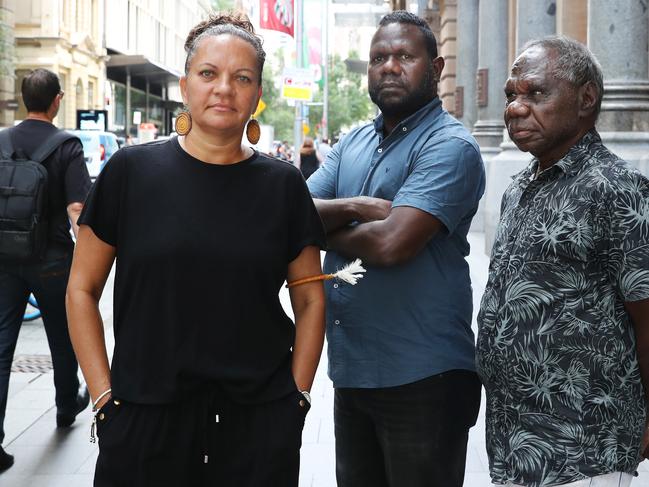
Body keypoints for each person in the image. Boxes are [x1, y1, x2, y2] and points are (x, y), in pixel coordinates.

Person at [66, 13, 326, 487]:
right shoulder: (130, 173)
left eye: (241, 77)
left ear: (257, 95)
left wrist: (298, 398)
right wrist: (103, 399)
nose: (224, 88)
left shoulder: (284, 185)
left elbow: (310, 299)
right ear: (185, 86)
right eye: (209, 74)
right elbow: (81, 289)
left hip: (257, 425)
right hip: (144, 420)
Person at [307, 11, 485, 487]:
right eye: (379, 57)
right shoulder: (353, 142)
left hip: (423, 378)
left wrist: (325, 227)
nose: (389, 66)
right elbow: (294, 211)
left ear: (437, 67)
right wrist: (360, 206)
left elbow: (390, 245)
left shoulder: (451, 146)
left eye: (405, 56)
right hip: (353, 372)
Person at [477, 36, 649, 487]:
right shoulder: (519, 186)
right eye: (511, 95)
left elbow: (647, 314)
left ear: (585, 98)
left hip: (584, 446)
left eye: (535, 93)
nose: (515, 108)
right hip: (516, 440)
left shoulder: (618, 189)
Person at [0, 68, 91, 472]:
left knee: (2, 346)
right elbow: (77, 210)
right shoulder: (67, 145)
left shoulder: (1, 142)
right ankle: (66, 404)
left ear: (23, 99)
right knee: (63, 334)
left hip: (4, 257)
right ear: (57, 100)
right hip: (53, 260)